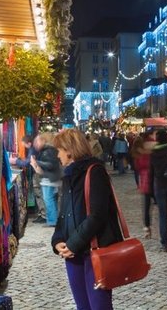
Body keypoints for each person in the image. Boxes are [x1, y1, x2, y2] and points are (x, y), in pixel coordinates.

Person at [51, 128, 121, 310]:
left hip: (94, 251)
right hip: (73, 253)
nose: (57, 155)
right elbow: (64, 212)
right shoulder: (68, 175)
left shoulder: (95, 171)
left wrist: (73, 244)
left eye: (58, 150)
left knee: (99, 306)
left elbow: (98, 215)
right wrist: (58, 239)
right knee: (83, 306)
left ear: (69, 150)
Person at [32, 132, 62, 228]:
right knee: (50, 200)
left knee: (49, 200)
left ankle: (53, 221)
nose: (35, 144)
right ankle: (53, 220)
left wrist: (37, 162)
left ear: (43, 140)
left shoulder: (48, 151)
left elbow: (50, 165)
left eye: (37, 141)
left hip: (50, 179)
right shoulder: (48, 150)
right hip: (50, 179)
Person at [9, 134, 39, 220]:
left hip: (37, 173)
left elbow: (27, 163)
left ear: (29, 143)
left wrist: (16, 161)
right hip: (36, 172)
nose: (24, 147)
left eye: (24, 145)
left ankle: (43, 215)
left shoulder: (32, 150)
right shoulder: (32, 149)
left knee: (38, 193)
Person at [134, 131, 155, 237]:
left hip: (145, 181)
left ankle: (147, 227)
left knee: (146, 206)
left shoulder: (141, 150)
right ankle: (164, 229)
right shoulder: (156, 146)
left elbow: (138, 166)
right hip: (156, 181)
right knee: (161, 204)